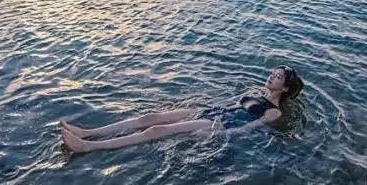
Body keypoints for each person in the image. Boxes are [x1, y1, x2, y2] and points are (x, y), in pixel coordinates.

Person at [60, 66, 304, 153]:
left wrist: (216, 135)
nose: (271, 77)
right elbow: (227, 101)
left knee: (156, 129)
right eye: (272, 73)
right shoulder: (254, 89)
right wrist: (195, 104)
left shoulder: (274, 112)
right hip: (212, 111)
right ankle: (88, 132)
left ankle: (88, 147)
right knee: (151, 116)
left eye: (278, 77)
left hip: (218, 124)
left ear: (284, 88)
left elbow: (247, 129)